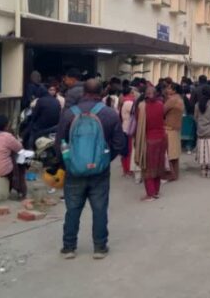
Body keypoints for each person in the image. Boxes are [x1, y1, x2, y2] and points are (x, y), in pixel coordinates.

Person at [55, 79, 127, 260]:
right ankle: (100, 248)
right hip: (100, 171)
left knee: (72, 209)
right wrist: (104, 159)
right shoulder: (110, 114)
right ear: (101, 92)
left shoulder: (69, 114)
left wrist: (68, 164)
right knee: (100, 208)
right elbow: (119, 143)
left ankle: (69, 247)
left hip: (74, 171)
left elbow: (59, 144)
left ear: (83, 92)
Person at [133, 86, 167, 200]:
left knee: (147, 167)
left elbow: (139, 124)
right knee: (158, 165)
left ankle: (150, 193)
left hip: (148, 139)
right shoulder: (161, 105)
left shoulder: (142, 107)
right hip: (161, 138)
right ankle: (156, 191)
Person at [163, 83, 184, 181]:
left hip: (169, 127)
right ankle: (175, 174)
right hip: (176, 128)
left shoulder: (172, 100)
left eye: (169, 88)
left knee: (170, 153)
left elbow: (162, 111)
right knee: (174, 152)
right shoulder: (179, 99)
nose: (167, 89)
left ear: (174, 90)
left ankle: (170, 174)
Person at [119, 86, 136, 177]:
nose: (134, 94)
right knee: (128, 150)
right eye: (132, 92)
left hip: (125, 127)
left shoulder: (124, 101)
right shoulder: (129, 102)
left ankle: (125, 170)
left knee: (125, 150)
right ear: (129, 93)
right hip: (128, 128)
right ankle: (127, 170)